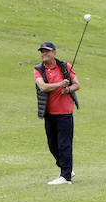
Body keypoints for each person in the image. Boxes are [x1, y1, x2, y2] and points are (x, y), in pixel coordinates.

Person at [34, 42, 80, 185]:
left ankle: (65, 176)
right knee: (52, 144)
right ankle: (67, 168)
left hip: (65, 112)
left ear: (54, 53)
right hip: (49, 113)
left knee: (64, 144)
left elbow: (76, 84)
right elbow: (42, 87)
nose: (44, 54)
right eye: (42, 51)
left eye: (47, 51)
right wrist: (60, 84)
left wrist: (68, 90)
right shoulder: (38, 70)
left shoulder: (65, 67)